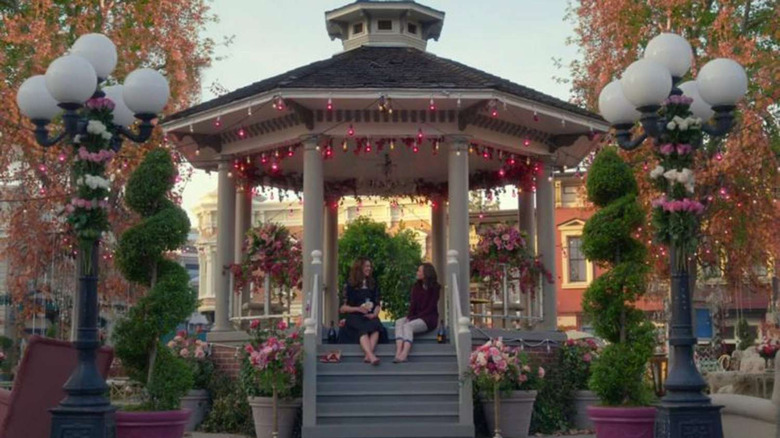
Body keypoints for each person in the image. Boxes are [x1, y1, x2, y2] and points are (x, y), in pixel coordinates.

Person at [339, 258, 383, 365]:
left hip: (370, 315)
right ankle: (371, 355)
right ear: (359, 268)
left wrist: (374, 314)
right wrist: (357, 309)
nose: (369, 268)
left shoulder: (373, 283)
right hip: (354, 316)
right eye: (366, 266)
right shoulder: (349, 284)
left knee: (376, 327)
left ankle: (368, 355)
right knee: (362, 329)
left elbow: (377, 304)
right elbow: (343, 308)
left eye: (370, 266)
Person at [394, 263, 440, 363]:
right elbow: (413, 304)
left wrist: (413, 318)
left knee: (408, 326)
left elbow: (431, 307)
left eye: (419, 271)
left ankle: (404, 354)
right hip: (416, 317)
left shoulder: (435, 288)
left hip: (429, 319)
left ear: (426, 273)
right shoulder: (416, 286)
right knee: (399, 322)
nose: (417, 273)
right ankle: (398, 351)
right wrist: (409, 317)